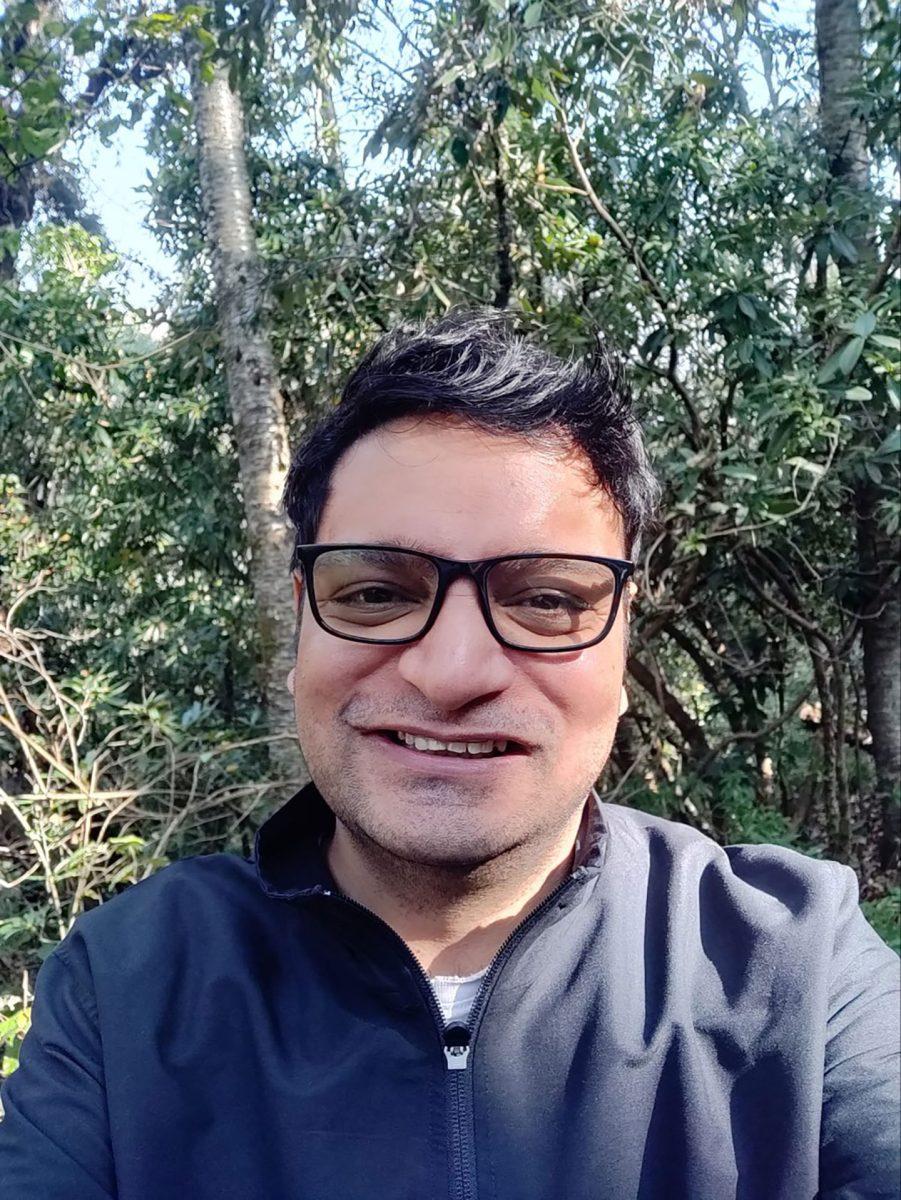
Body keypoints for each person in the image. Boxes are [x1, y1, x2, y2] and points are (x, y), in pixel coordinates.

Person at [0, 310, 898, 1200]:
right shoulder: (127, 983)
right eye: (376, 592)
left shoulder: (796, 962)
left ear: (623, 647)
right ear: (302, 625)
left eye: (545, 599)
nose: (452, 672)